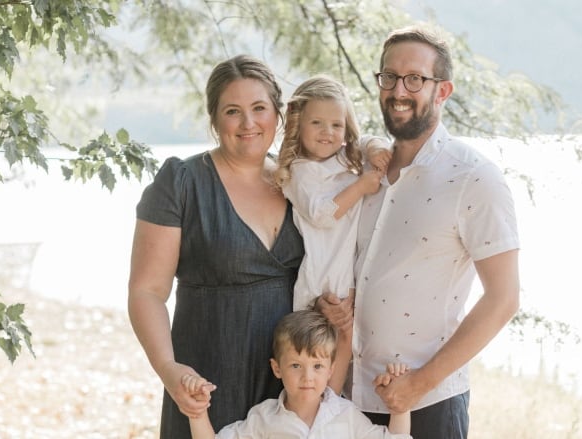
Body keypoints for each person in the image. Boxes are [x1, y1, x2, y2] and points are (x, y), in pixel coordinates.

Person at [317, 25, 521, 438]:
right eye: (388, 77)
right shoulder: (364, 175)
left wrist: (418, 385)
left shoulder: (474, 178)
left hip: (426, 404)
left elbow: (504, 299)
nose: (398, 91)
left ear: (442, 91)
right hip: (347, 402)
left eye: (415, 79)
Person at [127, 54, 304, 438]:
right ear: (214, 119)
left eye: (259, 108)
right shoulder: (181, 183)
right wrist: (169, 369)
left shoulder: (301, 182)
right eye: (232, 111)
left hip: (292, 384)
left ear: (278, 113)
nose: (248, 123)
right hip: (207, 380)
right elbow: (146, 291)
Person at [273, 74, 389, 391]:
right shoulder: (299, 170)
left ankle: (332, 413)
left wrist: (376, 145)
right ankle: (318, 412)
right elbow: (322, 214)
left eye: (336, 125)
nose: (328, 133)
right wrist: (362, 185)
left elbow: (363, 141)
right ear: (299, 125)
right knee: (314, 362)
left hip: (346, 274)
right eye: (317, 124)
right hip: (320, 280)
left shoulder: (344, 157)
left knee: (345, 355)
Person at [181, 310, 412, 439]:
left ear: (331, 369)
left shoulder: (346, 415)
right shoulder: (264, 419)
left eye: (317, 366)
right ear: (276, 368)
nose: (307, 377)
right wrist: (197, 413)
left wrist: (400, 407)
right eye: (295, 366)